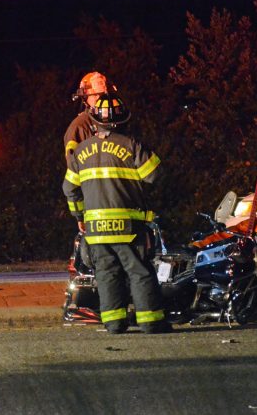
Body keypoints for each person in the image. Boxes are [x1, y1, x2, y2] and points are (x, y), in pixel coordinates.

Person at [62, 93, 170, 334]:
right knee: (139, 272)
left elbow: (69, 189)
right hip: (128, 226)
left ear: (93, 121)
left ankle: (114, 323)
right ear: (123, 119)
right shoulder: (132, 145)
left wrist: (80, 218)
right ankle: (150, 322)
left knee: (106, 274)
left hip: (96, 231)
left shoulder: (80, 152)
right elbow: (155, 175)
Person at [63, 71, 108, 158]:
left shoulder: (116, 121)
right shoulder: (80, 126)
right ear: (85, 98)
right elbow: (72, 161)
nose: (102, 101)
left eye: (105, 96)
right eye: (96, 96)